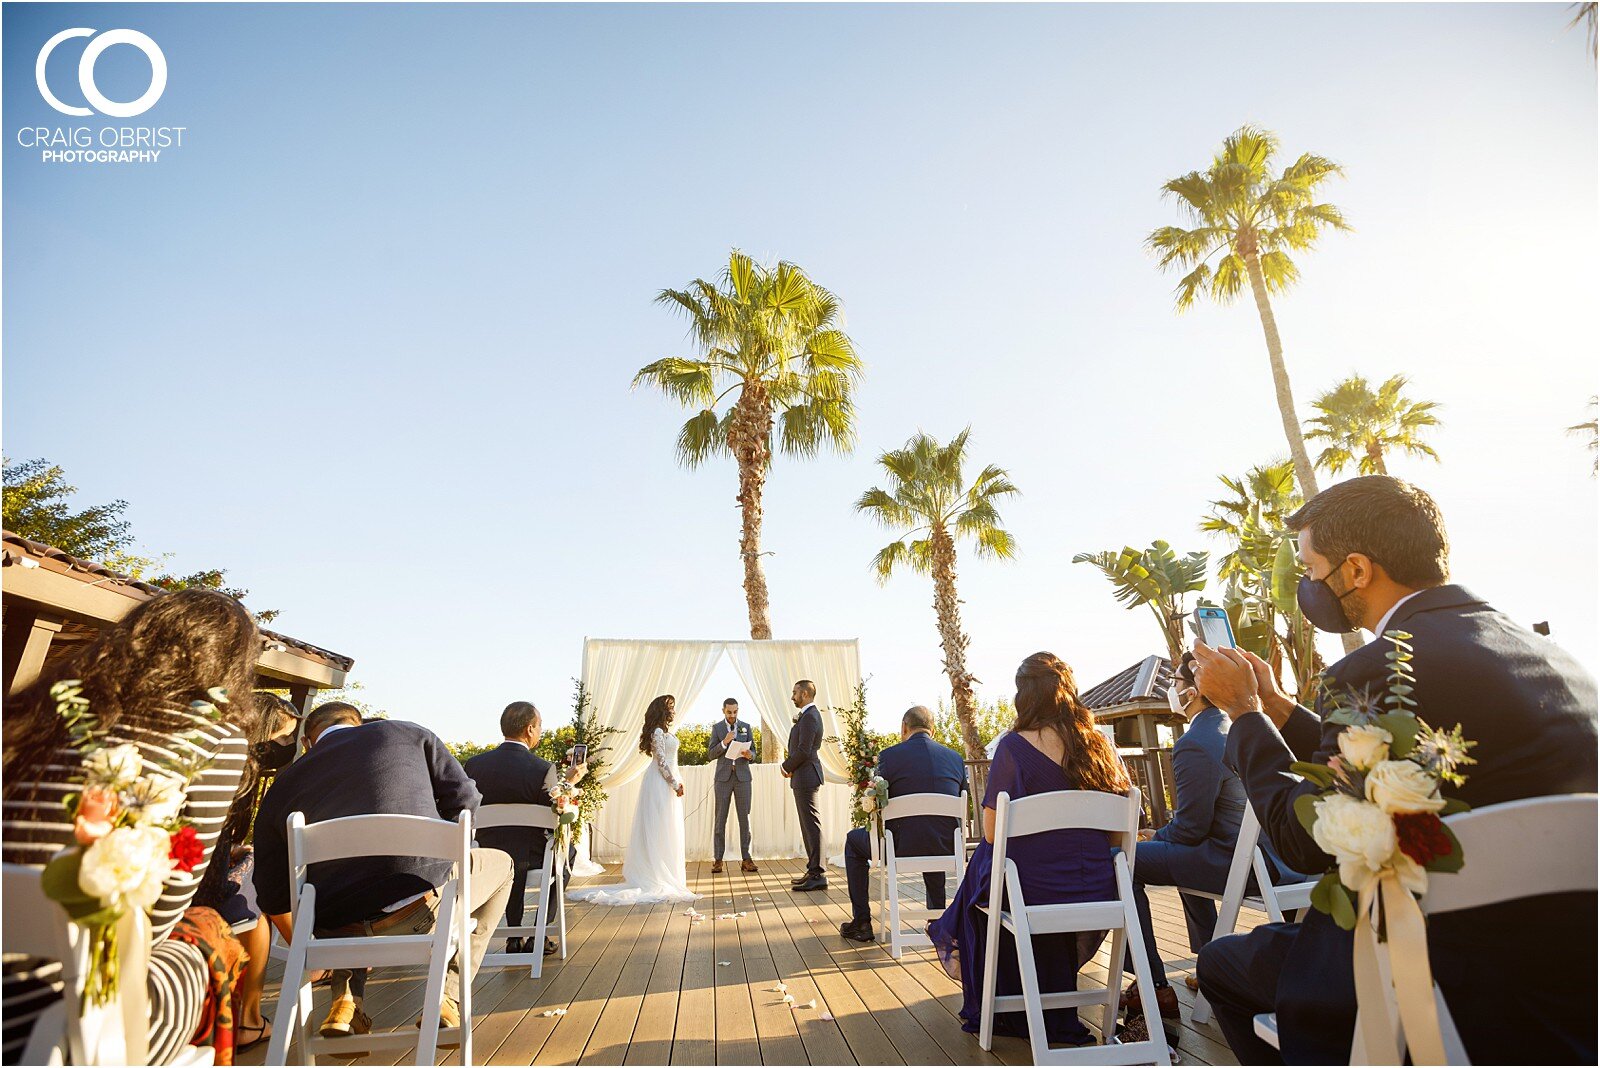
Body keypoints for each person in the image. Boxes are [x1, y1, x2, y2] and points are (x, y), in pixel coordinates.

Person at [1192, 476, 1598, 1065]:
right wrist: (1281, 708)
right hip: (1573, 967)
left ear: (1356, 570)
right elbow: (1383, 756)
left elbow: (1305, 842)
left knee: (1220, 963)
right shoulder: (1553, 657)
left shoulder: (1375, 668)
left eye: (1311, 569)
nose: (1308, 585)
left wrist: (1245, 713)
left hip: (1445, 972)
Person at [1, 588, 260, 1066]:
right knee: (210, 940)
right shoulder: (212, 736)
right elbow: (156, 919)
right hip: (56, 1022)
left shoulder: (37, 709)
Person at [251, 702, 512, 1043]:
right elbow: (466, 800)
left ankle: (345, 1003)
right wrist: (443, 851)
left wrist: (309, 941)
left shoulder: (283, 785)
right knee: (503, 865)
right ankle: (448, 996)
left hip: (336, 932)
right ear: (357, 722)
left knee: (343, 891)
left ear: (308, 743)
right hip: (422, 909)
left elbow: (271, 893)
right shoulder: (411, 734)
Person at [929, 652, 1131, 1047]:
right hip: (1098, 889)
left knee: (987, 863)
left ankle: (1000, 991)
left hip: (1031, 894)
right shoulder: (1100, 745)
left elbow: (990, 831)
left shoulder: (1012, 747)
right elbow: (1116, 836)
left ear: (1025, 697)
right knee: (997, 864)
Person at [1118, 652, 1286, 1048]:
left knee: (1125, 861)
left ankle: (1154, 984)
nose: (1173, 692)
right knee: (1170, 855)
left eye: (1176, 684)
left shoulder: (1195, 742)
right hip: (1272, 860)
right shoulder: (1237, 727)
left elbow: (1190, 830)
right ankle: (1210, 958)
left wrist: (1150, 839)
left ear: (1192, 690)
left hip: (1238, 866)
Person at [191, 691, 305, 1054]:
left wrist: (231, 849)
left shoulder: (211, 754)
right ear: (261, 728)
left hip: (198, 864)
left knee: (255, 867)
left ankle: (307, 951)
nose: (287, 745)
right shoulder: (236, 763)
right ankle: (249, 1020)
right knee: (261, 884)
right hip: (199, 882)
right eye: (283, 736)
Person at [463, 701, 583, 955]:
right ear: (530, 729)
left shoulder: (474, 766)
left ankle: (514, 935)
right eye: (539, 727)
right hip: (530, 855)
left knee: (514, 850)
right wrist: (569, 783)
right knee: (566, 853)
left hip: (488, 854)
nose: (540, 732)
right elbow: (554, 812)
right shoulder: (542, 768)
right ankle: (539, 930)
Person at [839, 705, 967, 943]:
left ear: (904, 728)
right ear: (933, 730)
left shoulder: (889, 756)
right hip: (946, 845)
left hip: (899, 847)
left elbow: (879, 802)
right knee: (933, 830)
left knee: (853, 841)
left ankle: (862, 923)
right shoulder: (955, 758)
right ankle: (936, 922)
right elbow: (962, 803)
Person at [567, 695, 697, 905]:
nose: (674, 711)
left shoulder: (665, 732)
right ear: (662, 710)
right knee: (658, 828)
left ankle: (666, 873)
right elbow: (662, 762)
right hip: (660, 784)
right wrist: (674, 783)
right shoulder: (657, 732)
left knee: (667, 828)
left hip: (669, 782)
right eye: (671, 707)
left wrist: (677, 781)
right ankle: (657, 874)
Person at [782, 680, 827, 891]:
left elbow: (804, 750)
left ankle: (818, 874)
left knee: (811, 825)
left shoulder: (810, 717)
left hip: (806, 775)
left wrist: (786, 766)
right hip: (803, 775)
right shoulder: (807, 716)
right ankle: (812, 870)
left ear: (806, 694)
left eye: (795, 693)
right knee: (807, 825)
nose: (792, 697)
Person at [709, 698, 759, 874]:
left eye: (735, 712)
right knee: (720, 819)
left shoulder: (746, 726)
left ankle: (746, 859)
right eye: (729, 712)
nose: (732, 715)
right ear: (723, 710)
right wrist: (724, 742)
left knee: (744, 819)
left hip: (743, 778)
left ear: (738, 710)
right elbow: (710, 754)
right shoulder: (717, 728)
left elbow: (754, 751)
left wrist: (749, 754)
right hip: (723, 779)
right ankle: (718, 860)